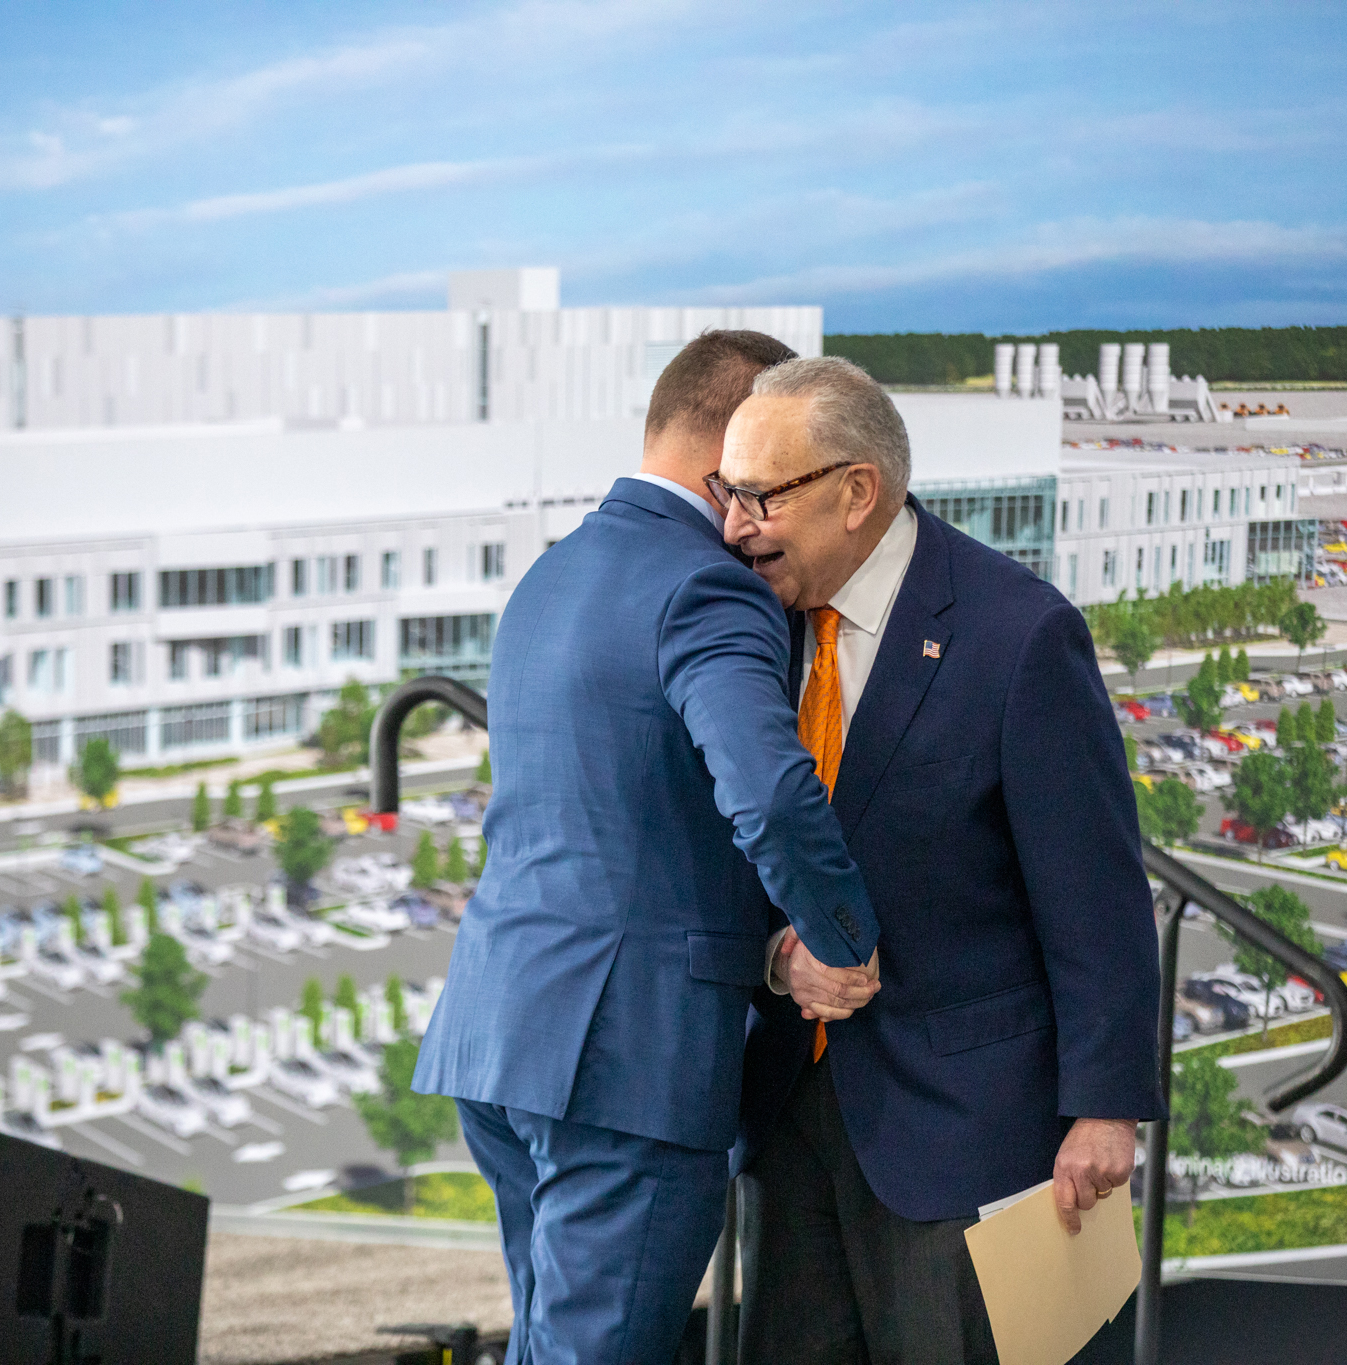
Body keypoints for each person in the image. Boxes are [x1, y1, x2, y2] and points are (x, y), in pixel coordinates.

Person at [414, 331, 884, 1364]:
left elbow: (621, 821)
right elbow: (763, 790)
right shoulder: (706, 587)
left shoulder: (552, 574)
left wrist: (760, 951)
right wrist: (840, 939)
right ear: (735, 453)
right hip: (623, 1062)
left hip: (502, 1032)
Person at [711, 357, 1165, 1365]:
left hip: (958, 1130)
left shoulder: (1018, 635)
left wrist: (1104, 1107)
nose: (734, 525)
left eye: (759, 497)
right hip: (788, 1112)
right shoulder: (746, 626)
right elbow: (726, 849)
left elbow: (1093, 897)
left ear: (855, 491)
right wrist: (772, 960)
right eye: (725, 491)